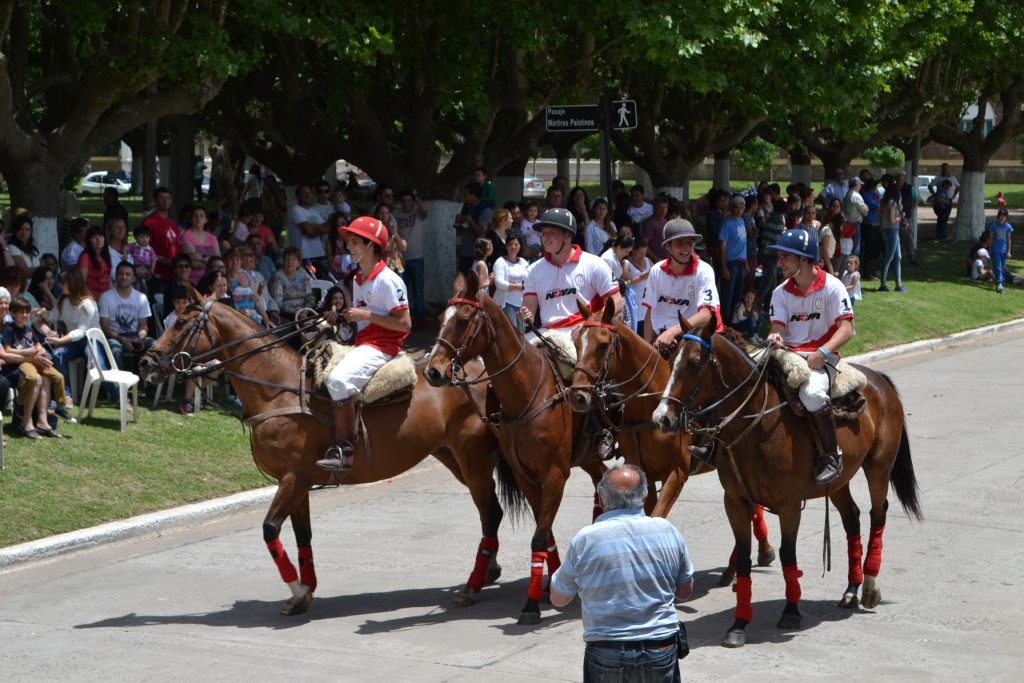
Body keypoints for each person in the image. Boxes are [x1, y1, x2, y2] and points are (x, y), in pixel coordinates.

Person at [550, 465, 694, 683]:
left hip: (606, 652)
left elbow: (558, 599)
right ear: (645, 496)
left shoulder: (586, 539)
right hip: (661, 647)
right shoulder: (668, 531)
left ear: (602, 498)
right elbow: (685, 592)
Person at [316, 217, 411, 471]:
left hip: (383, 347)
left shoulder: (388, 280)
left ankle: (344, 450)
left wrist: (365, 316)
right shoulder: (358, 279)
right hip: (364, 342)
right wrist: (340, 318)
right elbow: (362, 320)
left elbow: (404, 324)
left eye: (355, 242)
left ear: (371, 246)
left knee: (338, 381)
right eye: (349, 242)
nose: (349, 247)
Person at [765, 228, 854, 485]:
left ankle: (831, 456)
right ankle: (714, 446)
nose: (779, 263)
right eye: (780, 257)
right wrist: (776, 337)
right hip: (788, 354)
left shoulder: (833, 287)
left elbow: (846, 328)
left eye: (785, 257)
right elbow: (778, 327)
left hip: (822, 357)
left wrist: (823, 351)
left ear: (804, 259)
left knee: (812, 394)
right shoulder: (780, 292)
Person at [520, 208, 621, 340]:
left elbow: (617, 301)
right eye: (544, 233)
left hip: (584, 332)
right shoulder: (532, 270)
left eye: (552, 232)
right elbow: (528, 311)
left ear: (568, 235)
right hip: (547, 335)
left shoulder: (595, 263)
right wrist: (524, 316)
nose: (546, 238)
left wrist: (592, 324)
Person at [642, 219, 722, 354]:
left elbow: (706, 315)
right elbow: (649, 313)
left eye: (689, 243)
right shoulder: (656, 271)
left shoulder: (704, 271)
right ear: (668, 246)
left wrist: (672, 332)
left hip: (693, 338)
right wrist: (647, 347)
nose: (686, 248)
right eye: (680, 243)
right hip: (660, 339)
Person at [2, 296, 69, 439]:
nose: (25, 315)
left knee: (51, 377)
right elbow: (7, 351)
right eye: (21, 312)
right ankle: (24, 417)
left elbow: (37, 344)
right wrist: (28, 352)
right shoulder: (8, 329)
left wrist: (40, 351)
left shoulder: (29, 329)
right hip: (18, 364)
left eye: (27, 312)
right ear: (13, 313)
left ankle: (46, 420)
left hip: (33, 361)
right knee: (35, 378)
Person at [99, 261, 155, 372]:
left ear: (133, 278)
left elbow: (143, 325)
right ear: (116, 276)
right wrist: (122, 339)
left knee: (154, 345)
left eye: (127, 274)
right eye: (120, 274)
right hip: (114, 336)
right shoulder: (105, 297)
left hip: (135, 335)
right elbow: (104, 326)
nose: (123, 277)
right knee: (115, 349)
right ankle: (118, 385)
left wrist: (142, 337)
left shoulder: (141, 298)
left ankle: (149, 383)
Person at [393, 189, 428, 330]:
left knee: (418, 290)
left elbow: (424, 208)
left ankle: (421, 319)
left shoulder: (417, 213)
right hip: (400, 259)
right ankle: (406, 319)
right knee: (403, 290)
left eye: (409, 201)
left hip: (418, 258)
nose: (407, 204)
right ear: (400, 203)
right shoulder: (395, 213)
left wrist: (415, 196)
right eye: (404, 201)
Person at [142, 186, 180, 294]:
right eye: (161, 198)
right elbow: (144, 249)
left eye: (168, 198)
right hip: (158, 274)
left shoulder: (172, 223)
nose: (165, 200)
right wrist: (163, 260)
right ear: (155, 200)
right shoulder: (149, 222)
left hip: (174, 273)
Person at [719, 195, 749, 324]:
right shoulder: (727, 222)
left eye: (741, 208)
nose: (739, 210)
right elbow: (723, 246)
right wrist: (724, 266)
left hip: (741, 262)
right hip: (731, 262)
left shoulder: (742, 221)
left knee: (737, 293)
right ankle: (725, 321)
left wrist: (746, 262)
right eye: (736, 207)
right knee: (727, 294)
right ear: (731, 208)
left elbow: (743, 244)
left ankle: (734, 320)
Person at [288, 184, 330, 273]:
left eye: (309, 193)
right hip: (303, 255)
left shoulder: (313, 210)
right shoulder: (295, 209)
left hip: (318, 253)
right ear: (297, 195)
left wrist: (313, 225)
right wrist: (317, 227)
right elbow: (309, 232)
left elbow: (327, 228)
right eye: (304, 192)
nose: (307, 195)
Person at [492, 233, 528, 332]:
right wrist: (519, 287)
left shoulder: (524, 262)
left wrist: (522, 287)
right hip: (506, 303)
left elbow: (529, 281)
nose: (513, 247)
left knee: (521, 333)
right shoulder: (500, 262)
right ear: (506, 246)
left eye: (516, 244)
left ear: (520, 246)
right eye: (511, 244)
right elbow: (499, 283)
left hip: (521, 303)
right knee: (512, 332)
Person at [878, 175, 905, 293]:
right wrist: (901, 217)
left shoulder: (888, 201)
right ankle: (883, 283)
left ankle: (898, 284)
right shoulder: (892, 202)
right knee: (889, 257)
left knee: (897, 256)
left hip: (892, 230)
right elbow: (892, 220)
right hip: (891, 230)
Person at [78, 225, 112, 300]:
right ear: (89, 241)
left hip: (106, 297)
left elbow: (108, 279)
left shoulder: (105, 255)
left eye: (101, 236)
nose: (98, 239)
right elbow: (81, 282)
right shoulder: (85, 256)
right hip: (91, 297)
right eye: (94, 237)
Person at [987, 208, 1013, 294]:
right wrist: (990, 249)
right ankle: (999, 283)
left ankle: (1000, 281)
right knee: (997, 266)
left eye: (1004, 216)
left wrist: (1009, 251)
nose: (1002, 217)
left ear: (1006, 217)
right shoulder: (993, 226)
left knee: (1001, 267)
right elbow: (990, 239)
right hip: (995, 249)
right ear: (998, 216)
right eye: (1001, 216)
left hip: (1004, 250)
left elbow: (1009, 240)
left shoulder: (1008, 227)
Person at [842, 177, 869, 258]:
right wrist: (867, 208)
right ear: (857, 185)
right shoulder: (856, 195)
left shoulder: (847, 194)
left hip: (847, 223)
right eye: (860, 185)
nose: (861, 187)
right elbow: (865, 211)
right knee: (855, 249)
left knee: (848, 248)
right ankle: (853, 268)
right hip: (854, 224)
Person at [127, 224, 157, 293]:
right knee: (137, 283)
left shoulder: (150, 249)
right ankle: (137, 293)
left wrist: (152, 268)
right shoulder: (134, 246)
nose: (144, 239)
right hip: (136, 266)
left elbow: (154, 259)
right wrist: (126, 254)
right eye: (142, 237)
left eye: (147, 237)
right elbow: (125, 248)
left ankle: (147, 296)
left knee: (148, 284)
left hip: (147, 267)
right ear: (136, 238)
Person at [642, 195, 670, 261]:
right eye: (660, 207)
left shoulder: (665, 221)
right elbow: (644, 243)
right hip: (657, 260)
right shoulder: (650, 223)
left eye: (665, 207)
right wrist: (655, 258)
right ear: (654, 208)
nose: (663, 210)